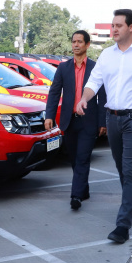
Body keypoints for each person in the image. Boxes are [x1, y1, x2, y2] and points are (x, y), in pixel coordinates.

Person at [76, 9, 132, 244]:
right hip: (112, 118)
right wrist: (84, 98)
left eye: (118, 25)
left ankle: (123, 224)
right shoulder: (106, 55)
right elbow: (94, 82)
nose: (114, 29)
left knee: (129, 168)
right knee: (120, 166)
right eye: (112, 25)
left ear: (131, 27)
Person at [45, 30, 107, 211]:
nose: (76, 45)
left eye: (80, 42)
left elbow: (102, 96)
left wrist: (102, 122)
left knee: (82, 158)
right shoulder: (63, 68)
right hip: (69, 121)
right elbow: (54, 92)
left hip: (89, 121)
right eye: (74, 42)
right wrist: (49, 115)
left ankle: (76, 196)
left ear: (87, 45)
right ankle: (83, 189)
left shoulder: (96, 68)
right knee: (74, 158)